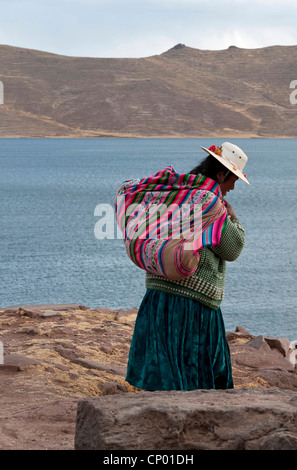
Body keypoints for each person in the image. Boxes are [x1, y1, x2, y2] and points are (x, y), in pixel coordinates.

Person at [125, 142, 249, 391]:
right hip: (192, 302)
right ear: (221, 174)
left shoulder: (175, 193)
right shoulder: (209, 204)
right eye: (232, 180)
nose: (232, 187)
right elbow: (233, 248)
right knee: (195, 377)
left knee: (162, 371)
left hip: (157, 295)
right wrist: (233, 217)